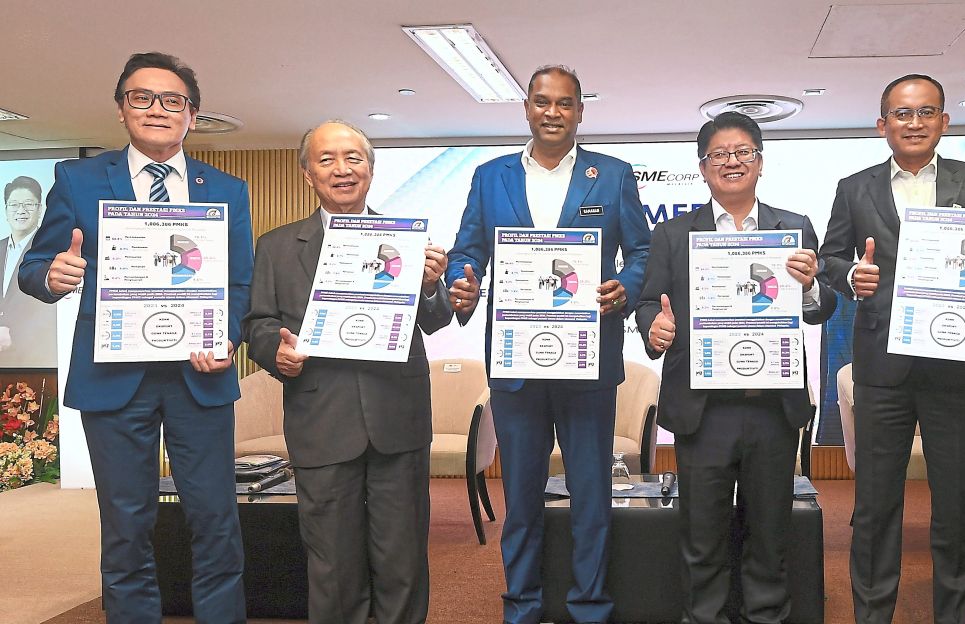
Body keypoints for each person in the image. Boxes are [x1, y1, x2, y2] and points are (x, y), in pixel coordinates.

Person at [18, 51, 251, 623]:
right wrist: (50, 276)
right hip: (113, 379)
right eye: (141, 98)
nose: (156, 109)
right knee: (126, 527)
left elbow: (239, 282)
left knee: (216, 522)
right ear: (121, 109)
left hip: (200, 377)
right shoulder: (77, 179)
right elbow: (35, 266)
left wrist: (228, 337)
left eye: (172, 100)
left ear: (191, 115)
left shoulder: (227, 189)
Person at [818, 73, 965, 623]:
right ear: (882, 124)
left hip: (955, 368)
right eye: (902, 113)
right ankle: (872, 615)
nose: (914, 123)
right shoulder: (854, 187)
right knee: (874, 508)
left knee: (956, 507)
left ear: (944, 121)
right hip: (881, 370)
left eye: (926, 112)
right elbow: (829, 257)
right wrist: (850, 276)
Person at [447, 64, 650, 624]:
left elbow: (641, 251)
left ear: (580, 111)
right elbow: (467, 251)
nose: (552, 112)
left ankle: (590, 607)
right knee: (520, 499)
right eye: (542, 101)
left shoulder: (613, 175)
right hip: (516, 363)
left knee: (591, 496)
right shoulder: (490, 177)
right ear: (527, 108)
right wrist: (463, 280)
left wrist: (626, 286)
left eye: (564, 103)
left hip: (588, 359)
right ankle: (522, 606)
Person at [243, 120, 452, 624]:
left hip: (397, 417)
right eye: (327, 159)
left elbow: (435, 318)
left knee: (403, 556)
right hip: (321, 418)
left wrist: (430, 286)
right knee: (332, 561)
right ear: (307, 173)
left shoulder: (405, 240)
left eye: (354, 158)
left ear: (371, 170)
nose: (342, 169)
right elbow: (257, 323)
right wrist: (277, 353)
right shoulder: (276, 246)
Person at [636, 111, 834, 623]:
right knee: (702, 535)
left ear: (760, 163)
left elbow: (823, 304)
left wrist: (810, 287)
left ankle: (766, 616)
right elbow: (648, 302)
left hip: (773, 407)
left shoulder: (794, 228)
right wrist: (654, 329)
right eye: (719, 154)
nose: (732, 162)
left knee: (770, 534)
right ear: (703, 168)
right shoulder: (673, 234)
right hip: (703, 411)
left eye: (743, 152)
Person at [0, 176, 55, 366]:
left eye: (28, 204)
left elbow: (54, 310)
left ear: (39, 209)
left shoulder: (51, 249)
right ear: (6, 210)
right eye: (14, 205)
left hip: (35, 358)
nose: (21, 210)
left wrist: (14, 334)